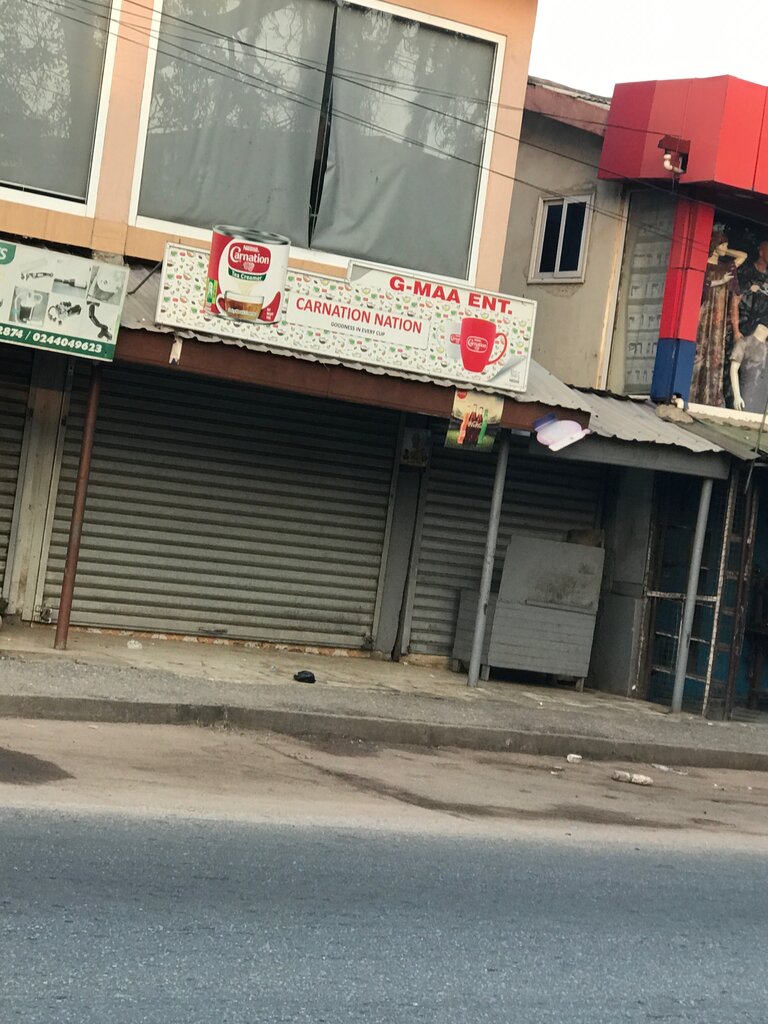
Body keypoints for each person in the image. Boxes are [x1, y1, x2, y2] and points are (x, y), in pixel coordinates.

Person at [689, 230, 747, 407]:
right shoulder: (704, 266)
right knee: (698, 349)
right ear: (715, 245)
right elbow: (700, 286)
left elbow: (743, 256)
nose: (726, 248)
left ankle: (710, 396)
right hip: (705, 313)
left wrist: (724, 250)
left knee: (715, 351)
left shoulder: (726, 267)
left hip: (718, 317)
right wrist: (716, 248)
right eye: (724, 244)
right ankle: (692, 394)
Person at [730, 321, 768, 413]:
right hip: (747, 395)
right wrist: (737, 396)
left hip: (764, 398)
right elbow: (733, 369)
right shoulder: (744, 343)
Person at [734, 241, 768, 340]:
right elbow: (735, 300)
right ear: (761, 253)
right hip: (743, 324)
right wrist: (736, 331)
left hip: (761, 331)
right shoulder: (746, 271)